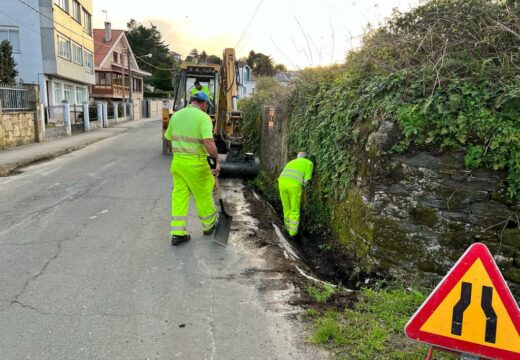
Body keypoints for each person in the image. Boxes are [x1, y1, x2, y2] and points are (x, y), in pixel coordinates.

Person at [164, 91, 220, 246]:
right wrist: (216, 161)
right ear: (203, 104)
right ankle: (209, 226)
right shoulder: (203, 117)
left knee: (180, 196)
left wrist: (175, 151)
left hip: (178, 164)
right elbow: (208, 142)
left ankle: (177, 233)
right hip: (196, 165)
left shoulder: (176, 116)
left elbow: (167, 139)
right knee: (203, 195)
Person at [278, 152, 314, 238]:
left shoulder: (291, 162)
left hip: (281, 183)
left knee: (286, 207)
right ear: (306, 157)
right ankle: (292, 233)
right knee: (294, 209)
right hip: (294, 185)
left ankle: (287, 228)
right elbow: (306, 181)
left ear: (297, 157)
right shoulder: (308, 163)